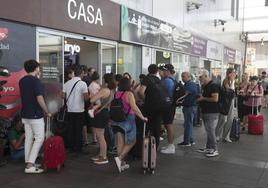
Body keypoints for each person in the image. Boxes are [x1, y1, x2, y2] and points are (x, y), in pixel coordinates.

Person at [19, 59, 51, 173]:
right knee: (39, 138)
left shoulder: (22, 81)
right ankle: (30, 165)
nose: (39, 69)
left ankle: (28, 161)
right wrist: (47, 111)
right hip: (35, 114)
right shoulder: (36, 82)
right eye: (38, 67)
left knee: (29, 138)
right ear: (36, 68)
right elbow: (39, 98)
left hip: (25, 114)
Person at [112, 77, 148, 173]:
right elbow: (134, 108)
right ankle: (119, 158)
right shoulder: (129, 94)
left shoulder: (116, 93)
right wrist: (142, 117)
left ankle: (122, 163)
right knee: (132, 141)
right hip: (128, 120)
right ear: (128, 84)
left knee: (120, 141)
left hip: (116, 120)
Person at [90, 73, 116, 165]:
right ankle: (101, 155)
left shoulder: (104, 90)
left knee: (100, 136)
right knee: (101, 135)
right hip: (105, 113)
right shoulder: (111, 91)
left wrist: (93, 94)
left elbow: (92, 100)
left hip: (101, 113)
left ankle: (104, 157)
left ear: (106, 81)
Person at [63, 66, 89, 154]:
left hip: (69, 110)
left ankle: (71, 147)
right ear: (81, 73)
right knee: (78, 130)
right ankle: (78, 148)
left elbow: (62, 96)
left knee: (71, 129)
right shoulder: (83, 84)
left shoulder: (67, 83)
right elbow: (86, 98)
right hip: (79, 110)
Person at [197, 69, 220, 157]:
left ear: (206, 76)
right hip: (206, 111)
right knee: (209, 131)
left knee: (210, 131)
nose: (199, 79)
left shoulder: (213, 86)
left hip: (212, 112)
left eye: (201, 77)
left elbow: (215, 99)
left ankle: (215, 149)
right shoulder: (205, 86)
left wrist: (203, 98)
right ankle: (209, 147)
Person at [139, 64, 162, 149]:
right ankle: (155, 147)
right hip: (159, 107)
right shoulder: (159, 80)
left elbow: (141, 92)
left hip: (149, 107)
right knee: (156, 127)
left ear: (149, 70)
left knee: (146, 125)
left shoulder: (146, 79)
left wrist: (145, 100)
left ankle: (144, 146)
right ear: (157, 71)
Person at [158, 64, 176, 154]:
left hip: (168, 105)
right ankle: (170, 144)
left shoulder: (167, 81)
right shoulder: (172, 79)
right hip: (170, 105)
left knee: (168, 125)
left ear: (168, 71)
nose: (162, 72)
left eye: (164, 70)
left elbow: (163, 94)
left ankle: (171, 146)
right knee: (168, 125)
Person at [177, 72, 198, 147]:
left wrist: (178, 101)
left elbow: (185, 95)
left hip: (190, 107)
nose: (182, 78)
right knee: (189, 124)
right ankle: (190, 140)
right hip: (190, 106)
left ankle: (187, 141)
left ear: (189, 77)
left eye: (184, 76)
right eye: (182, 76)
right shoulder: (188, 84)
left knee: (187, 124)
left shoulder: (190, 85)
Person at [216, 68, 236, 143]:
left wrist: (233, 81)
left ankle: (226, 136)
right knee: (222, 119)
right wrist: (232, 81)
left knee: (230, 119)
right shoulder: (226, 81)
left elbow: (233, 92)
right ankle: (217, 135)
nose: (234, 74)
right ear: (229, 73)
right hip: (225, 102)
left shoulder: (233, 81)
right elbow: (230, 90)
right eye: (233, 72)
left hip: (231, 101)